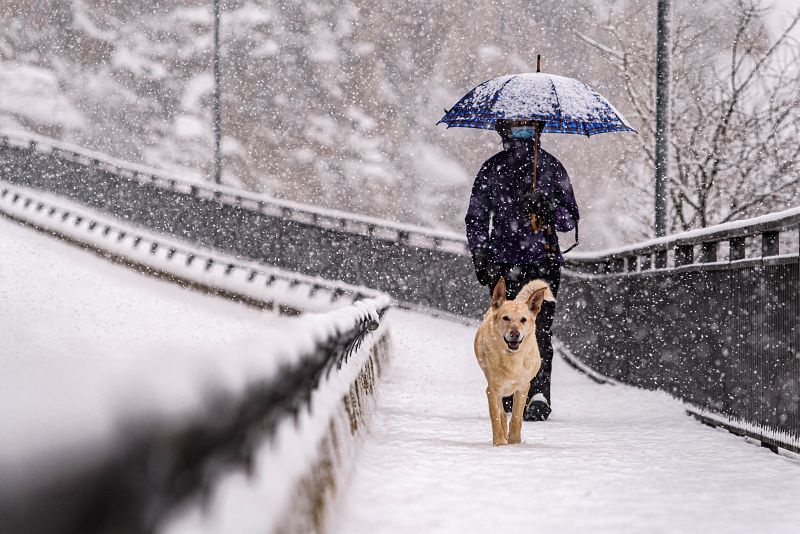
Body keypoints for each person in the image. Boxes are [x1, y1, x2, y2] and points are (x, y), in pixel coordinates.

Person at [465, 120, 579, 421]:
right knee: (505, 329)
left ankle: (536, 394)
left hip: (542, 264)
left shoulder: (550, 168)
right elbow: (476, 218)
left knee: (538, 330)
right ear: (505, 131)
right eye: (517, 128)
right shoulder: (494, 169)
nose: (523, 134)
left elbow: (569, 220)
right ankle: (507, 389)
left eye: (529, 128)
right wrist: (480, 254)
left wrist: (548, 206)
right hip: (504, 264)